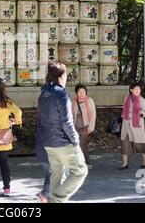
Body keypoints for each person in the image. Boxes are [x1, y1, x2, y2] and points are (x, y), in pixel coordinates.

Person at [36, 62, 88, 203]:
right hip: (63, 143)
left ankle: (54, 198)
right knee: (80, 171)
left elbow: (41, 121)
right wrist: (75, 140)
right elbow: (67, 122)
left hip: (48, 143)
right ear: (61, 76)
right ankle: (57, 199)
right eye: (65, 74)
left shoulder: (43, 95)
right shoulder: (61, 95)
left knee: (56, 175)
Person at [120, 83, 145, 170]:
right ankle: (125, 163)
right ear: (131, 90)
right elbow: (125, 109)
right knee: (125, 144)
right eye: (136, 89)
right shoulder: (127, 98)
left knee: (139, 144)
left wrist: (141, 113)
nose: (138, 91)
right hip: (126, 124)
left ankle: (144, 159)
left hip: (137, 125)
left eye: (139, 89)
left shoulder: (142, 100)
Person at [72, 84, 96, 169]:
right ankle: (88, 163)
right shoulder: (74, 102)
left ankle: (80, 164)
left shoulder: (89, 101)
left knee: (81, 145)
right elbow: (71, 115)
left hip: (85, 126)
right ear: (76, 93)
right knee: (84, 145)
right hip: (76, 127)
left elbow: (93, 115)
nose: (81, 93)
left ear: (86, 92)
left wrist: (91, 127)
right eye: (79, 92)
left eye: (83, 92)